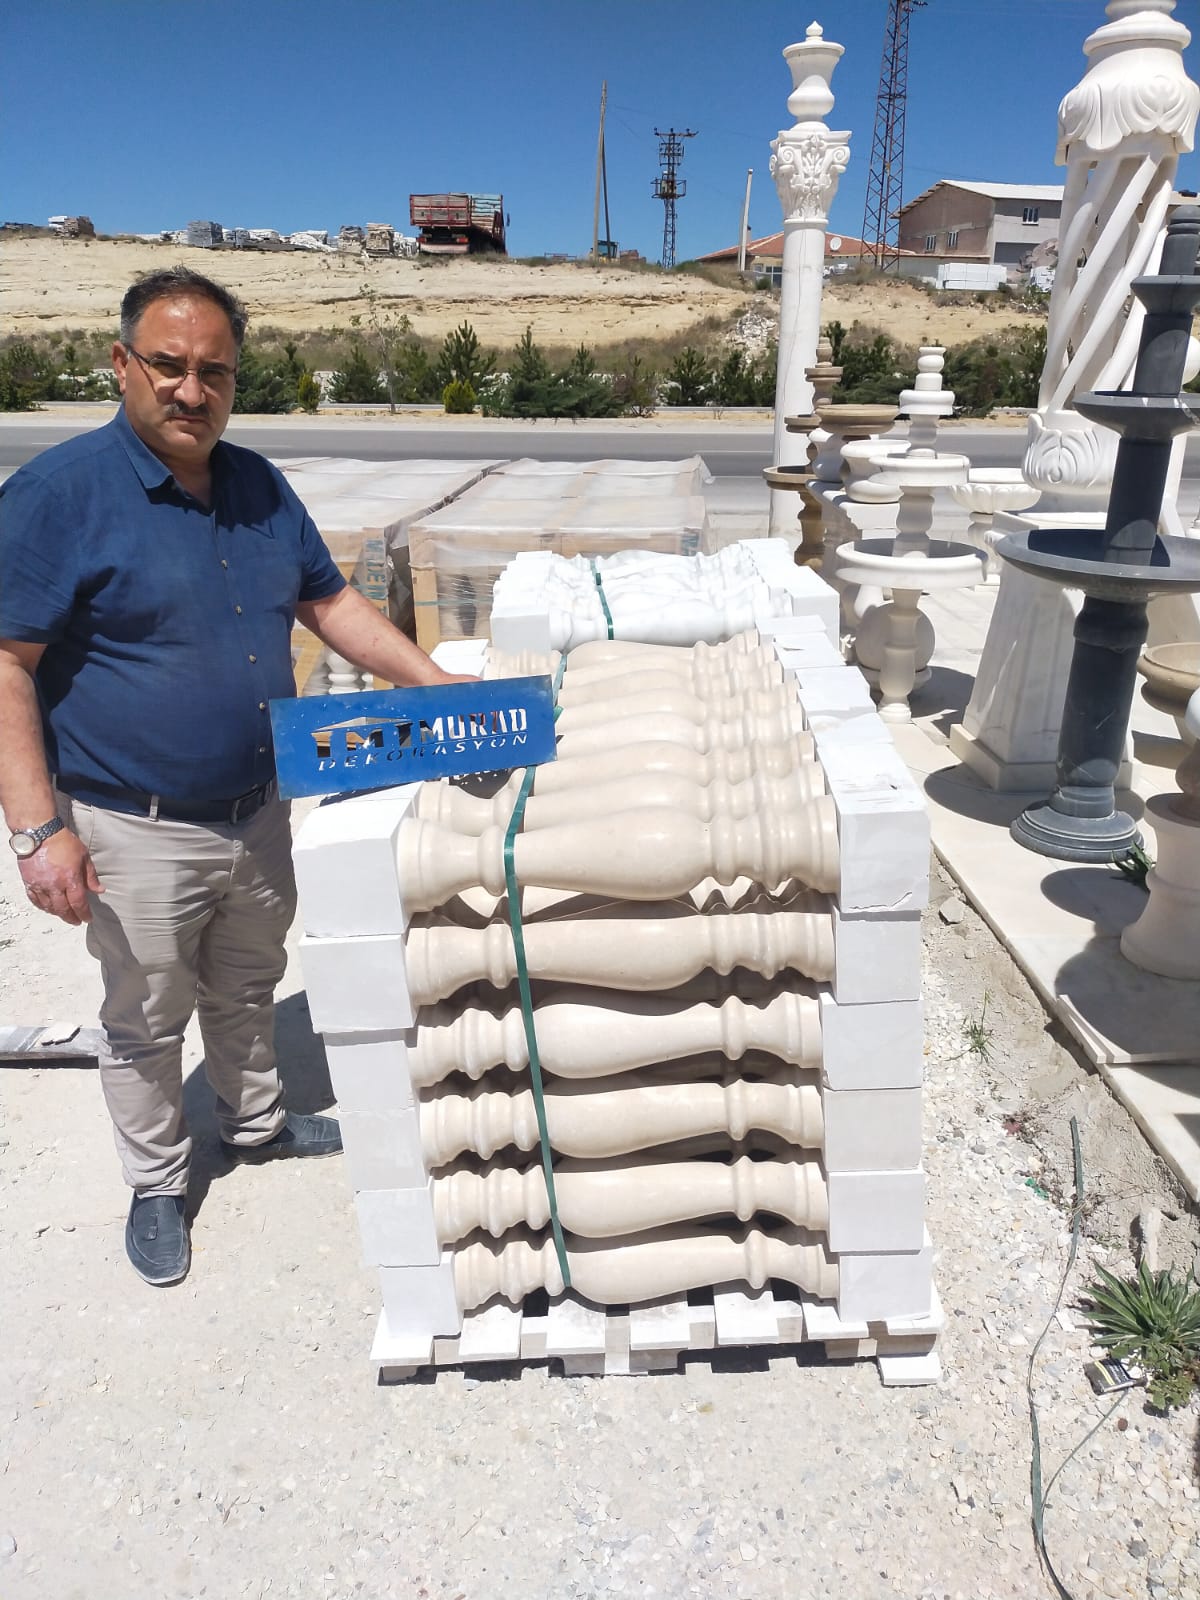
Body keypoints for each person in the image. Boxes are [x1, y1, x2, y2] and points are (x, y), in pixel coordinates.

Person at [0, 267, 468, 1288]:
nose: (191, 389)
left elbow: (330, 602)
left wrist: (433, 685)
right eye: (168, 365)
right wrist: (39, 831)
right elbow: (7, 665)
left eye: (214, 371)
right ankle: (157, 1181)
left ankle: (254, 1123)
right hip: (133, 823)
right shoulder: (57, 497)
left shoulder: (257, 486)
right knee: (146, 1014)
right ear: (121, 364)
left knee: (249, 979)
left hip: (257, 807)